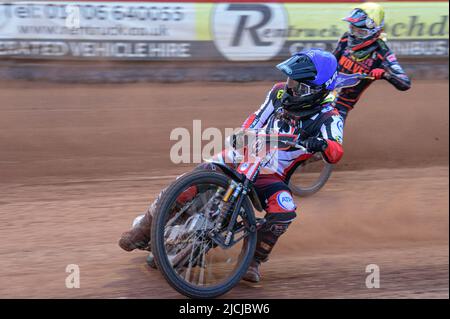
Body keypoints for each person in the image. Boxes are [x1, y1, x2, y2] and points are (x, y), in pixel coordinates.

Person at [119, 49, 345, 283]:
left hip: (272, 175)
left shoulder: (329, 116)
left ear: (317, 90)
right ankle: (144, 229)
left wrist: (318, 143)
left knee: (284, 211)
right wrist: (244, 132)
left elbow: (335, 151)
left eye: (298, 85)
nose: (291, 87)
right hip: (242, 157)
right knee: (190, 181)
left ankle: (253, 261)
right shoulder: (279, 93)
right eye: (291, 81)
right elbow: (255, 118)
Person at [333, 2, 411, 120]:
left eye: (361, 32)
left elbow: (405, 83)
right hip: (322, 93)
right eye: (353, 29)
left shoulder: (383, 53)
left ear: (375, 31)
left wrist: (385, 74)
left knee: (329, 137)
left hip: (341, 106)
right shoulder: (346, 38)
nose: (355, 35)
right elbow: (332, 61)